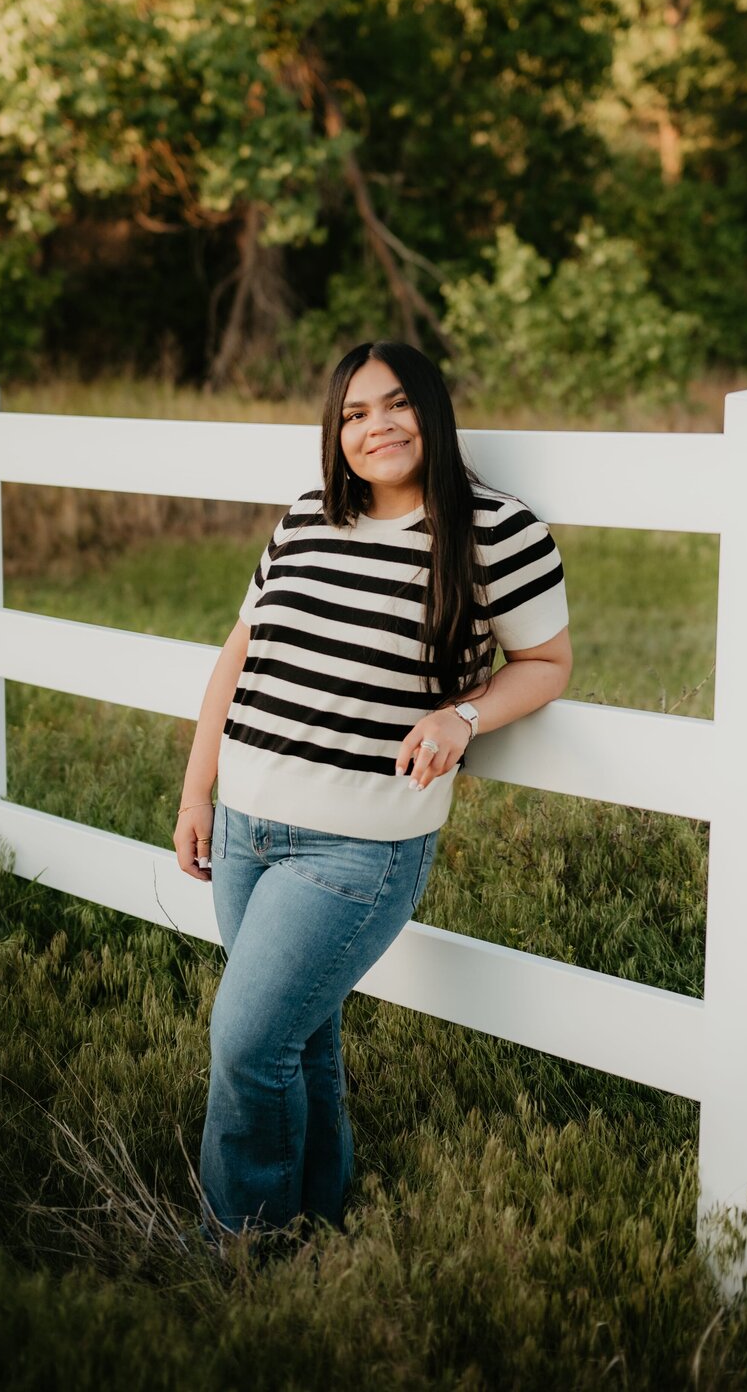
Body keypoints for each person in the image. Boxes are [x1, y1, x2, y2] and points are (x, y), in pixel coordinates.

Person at [172, 338, 572, 1249]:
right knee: (298, 1042)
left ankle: (242, 1250)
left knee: (246, 1042)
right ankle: (317, 1222)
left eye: (395, 405)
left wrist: (462, 718)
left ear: (431, 411)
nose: (376, 428)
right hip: (245, 823)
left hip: (359, 847)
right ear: (334, 432)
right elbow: (240, 655)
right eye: (354, 414)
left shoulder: (497, 530)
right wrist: (199, 792)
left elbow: (546, 662)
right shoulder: (308, 514)